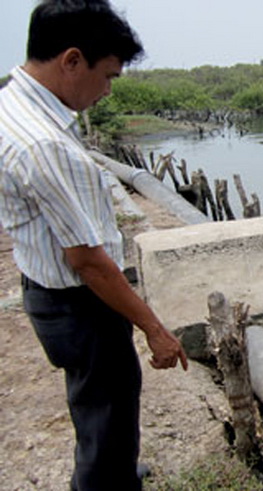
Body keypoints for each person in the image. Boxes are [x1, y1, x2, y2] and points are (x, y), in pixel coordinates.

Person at [0, 1, 188, 489]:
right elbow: (87, 260)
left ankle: (116, 469)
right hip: (79, 303)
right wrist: (154, 329)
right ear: (71, 60)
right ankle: (106, 479)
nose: (107, 90)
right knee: (107, 401)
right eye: (107, 76)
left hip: (48, 288)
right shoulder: (45, 144)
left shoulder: (13, 106)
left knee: (99, 400)